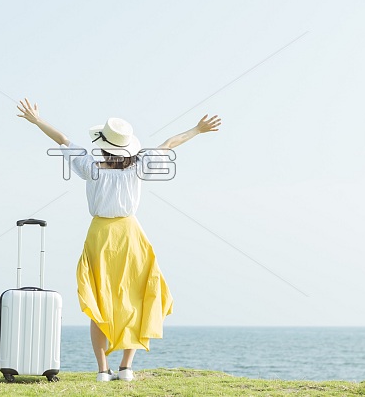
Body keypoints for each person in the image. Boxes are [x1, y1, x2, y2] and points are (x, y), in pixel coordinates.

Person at [17, 98, 221, 382]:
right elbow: (169, 144)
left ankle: (103, 370)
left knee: (99, 301)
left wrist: (37, 120)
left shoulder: (90, 166)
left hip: (100, 235)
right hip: (130, 235)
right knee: (135, 297)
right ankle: (126, 368)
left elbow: (62, 139)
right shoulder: (138, 167)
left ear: (103, 145)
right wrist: (197, 129)